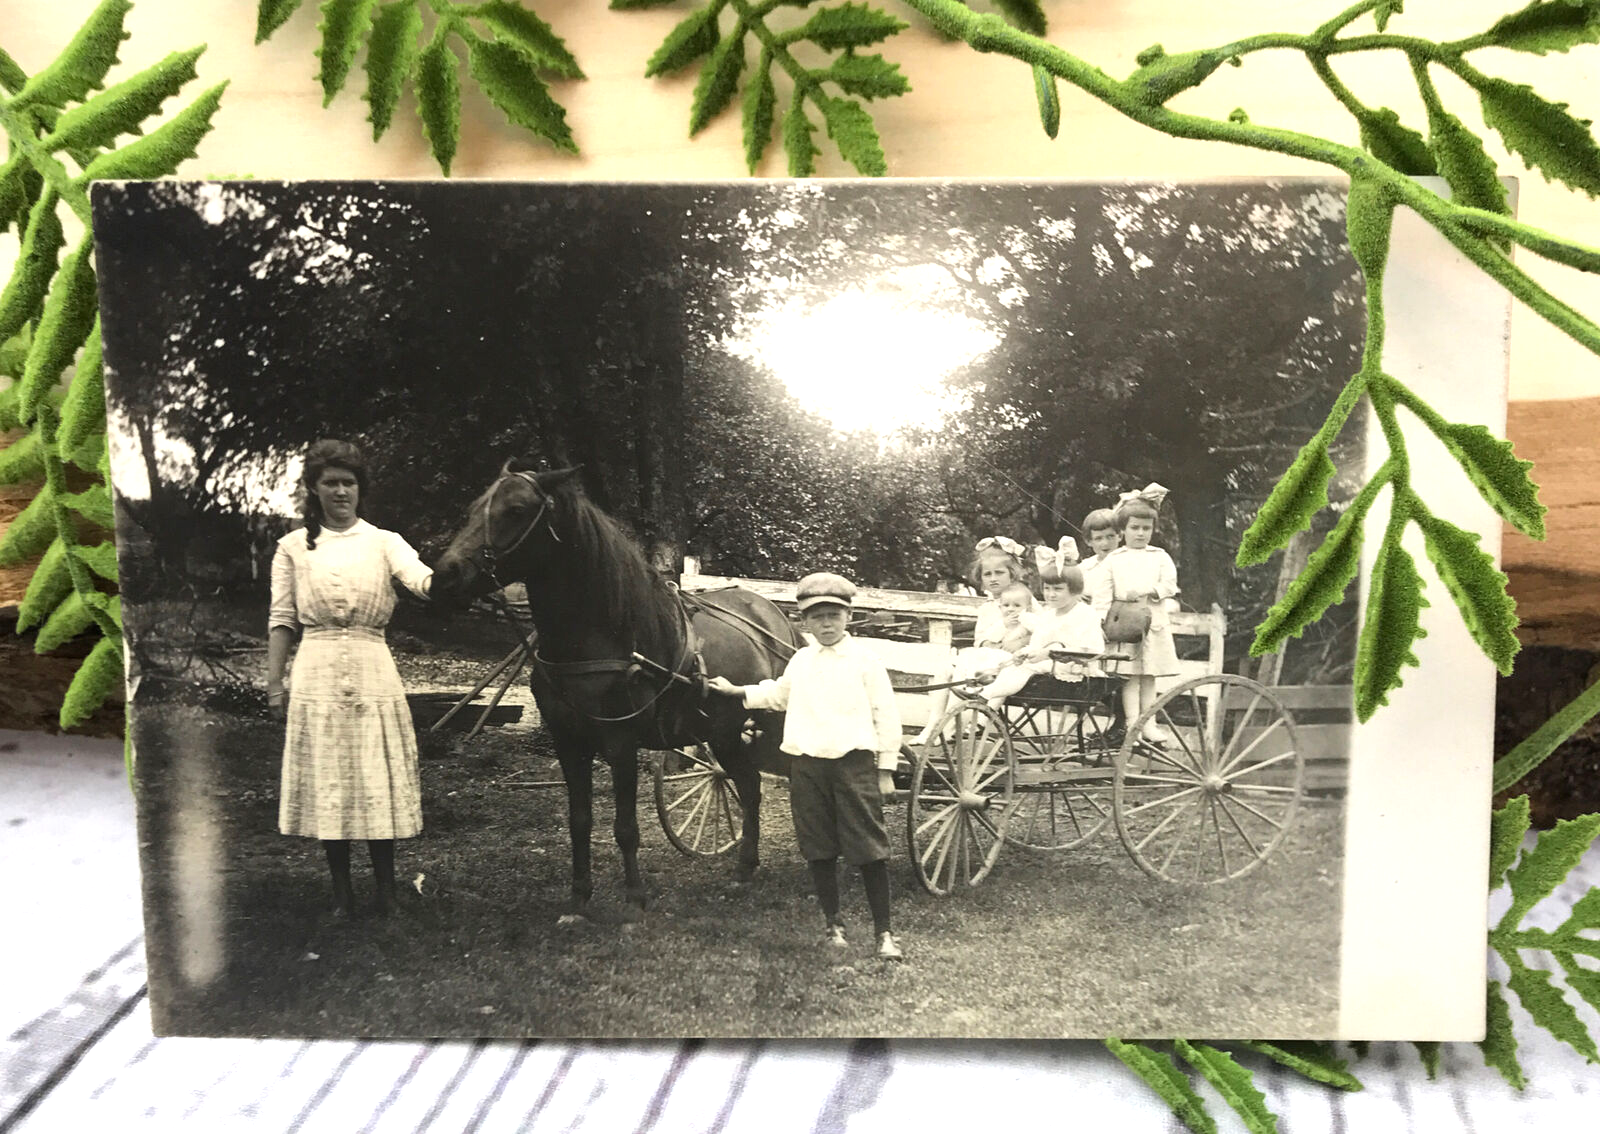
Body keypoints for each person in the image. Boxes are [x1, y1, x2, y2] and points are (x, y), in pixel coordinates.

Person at [265, 439, 434, 918]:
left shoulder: (384, 541)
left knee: (374, 774)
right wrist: (275, 685)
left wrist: (453, 578)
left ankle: (386, 892)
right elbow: (281, 619)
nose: (341, 491)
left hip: (372, 669)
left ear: (361, 489)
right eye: (330, 483)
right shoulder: (292, 548)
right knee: (329, 781)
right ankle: (342, 896)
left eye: (349, 483)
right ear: (314, 489)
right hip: (315, 672)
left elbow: (422, 581)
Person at [706, 572, 905, 961]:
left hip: (855, 764)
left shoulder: (865, 661)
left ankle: (884, 933)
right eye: (817, 618)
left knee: (868, 848)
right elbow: (778, 694)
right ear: (804, 622)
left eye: (834, 615)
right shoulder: (800, 660)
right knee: (818, 847)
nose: (826, 624)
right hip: (809, 767)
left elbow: (886, 714)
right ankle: (834, 925)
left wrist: (885, 770)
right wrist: (735, 690)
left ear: (848, 616)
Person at [911, 537, 1035, 746]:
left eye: (999, 573)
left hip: (1009, 662)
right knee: (944, 669)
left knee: (966, 670)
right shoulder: (987, 607)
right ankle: (933, 724)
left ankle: (948, 729)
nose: (993, 579)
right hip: (987, 655)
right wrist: (989, 643)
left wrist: (1019, 642)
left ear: (1012, 574)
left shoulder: (1022, 598)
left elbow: (1041, 629)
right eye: (987, 574)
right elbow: (980, 640)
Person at [1095, 487, 1181, 745]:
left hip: (1152, 621)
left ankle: (1150, 723)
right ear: (1123, 531)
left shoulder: (1159, 556)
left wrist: (1149, 590)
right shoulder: (1114, 559)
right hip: (1124, 622)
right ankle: (1133, 723)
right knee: (1129, 675)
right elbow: (1102, 594)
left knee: (1149, 674)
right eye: (1135, 528)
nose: (1141, 533)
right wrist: (1100, 620)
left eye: (1146, 528)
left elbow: (1170, 585)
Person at [976, 561, 1105, 709]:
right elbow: (1037, 644)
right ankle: (985, 711)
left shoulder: (1085, 614)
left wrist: (1048, 653)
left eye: (1058, 589)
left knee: (1025, 670)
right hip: (1048, 666)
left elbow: (1091, 650)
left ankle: (984, 695)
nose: (1051, 594)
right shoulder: (1048, 615)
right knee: (1010, 667)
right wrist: (1024, 653)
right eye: (1047, 588)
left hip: (1075, 667)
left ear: (1075, 591)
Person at [1078, 508, 1120, 609]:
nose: (1105, 543)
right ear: (1089, 541)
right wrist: (1075, 596)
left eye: (1110, 536)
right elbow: (1069, 590)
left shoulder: (1127, 562)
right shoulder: (1085, 567)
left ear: (1120, 536)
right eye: (1098, 538)